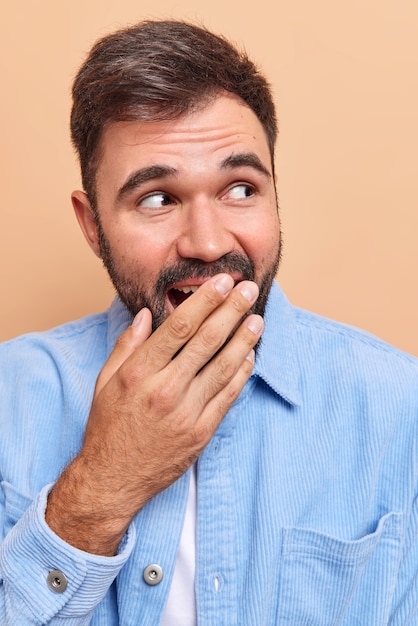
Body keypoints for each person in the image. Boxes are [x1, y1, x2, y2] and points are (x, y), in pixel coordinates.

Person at [0, 18, 417, 625]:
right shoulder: (7, 398)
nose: (206, 241)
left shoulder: (400, 408)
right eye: (157, 199)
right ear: (92, 226)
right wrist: (101, 487)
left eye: (241, 189)